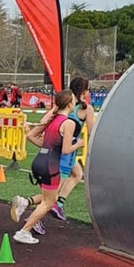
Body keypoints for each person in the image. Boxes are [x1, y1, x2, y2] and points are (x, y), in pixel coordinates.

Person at [9, 89, 83, 244]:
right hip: (51, 164)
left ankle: (25, 202)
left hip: (39, 161)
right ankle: (24, 231)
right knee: (48, 203)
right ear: (69, 103)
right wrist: (79, 144)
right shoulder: (68, 123)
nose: (76, 102)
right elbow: (66, 150)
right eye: (74, 100)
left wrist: (47, 147)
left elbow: (30, 136)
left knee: (50, 197)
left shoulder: (52, 119)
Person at [50, 76, 95, 220]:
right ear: (83, 91)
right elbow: (91, 131)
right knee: (54, 189)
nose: (88, 93)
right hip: (68, 149)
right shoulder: (86, 108)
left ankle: (59, 205)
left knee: (77, 174)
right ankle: (29, 207)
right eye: (88, 90)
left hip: (56, 145)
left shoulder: (65, 103)